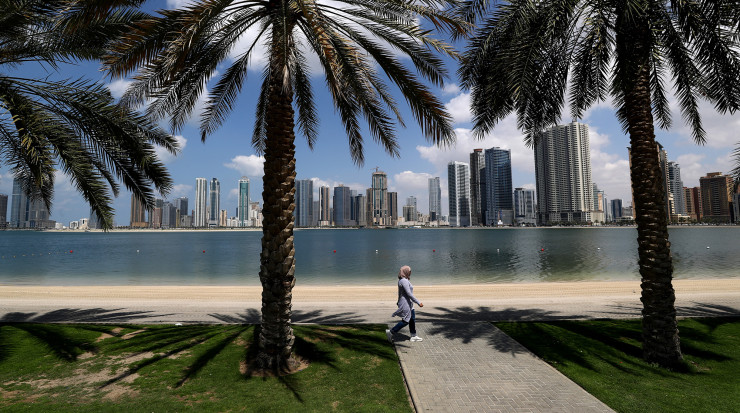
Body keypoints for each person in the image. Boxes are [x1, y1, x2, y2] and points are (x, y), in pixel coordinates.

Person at [386, 265, 424, 342]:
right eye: (409, 271)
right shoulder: (404, 281)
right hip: (405, 303)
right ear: (405, 272)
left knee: (412, 319)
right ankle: (391, 332)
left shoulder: (403, 280)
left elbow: (401, 293)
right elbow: (409, 293)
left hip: (408, 303)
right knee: (406, 320)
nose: (410, 273)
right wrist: (418, 302)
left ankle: (413, 336)